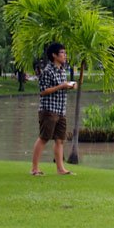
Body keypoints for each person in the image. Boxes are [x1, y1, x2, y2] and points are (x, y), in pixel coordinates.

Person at [31, 43, 76, 176]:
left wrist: (70, 86)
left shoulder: (62, 69)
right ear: (54, 55)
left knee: (60, 140)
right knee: (44, 138)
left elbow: (62, 87)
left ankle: (60, 169)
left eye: (65, 53)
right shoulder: (47, 71)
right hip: (49, 110)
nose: (65, 55)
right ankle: (34, 168)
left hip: (61, 110)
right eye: (62, 53)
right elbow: (43, 91)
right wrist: (61, 86)